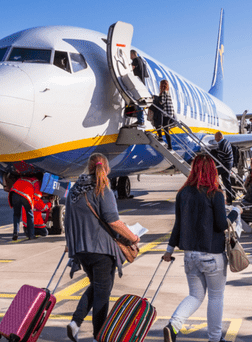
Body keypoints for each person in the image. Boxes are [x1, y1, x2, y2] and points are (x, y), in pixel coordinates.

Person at [65, 153, 140, 342]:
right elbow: (113, 221)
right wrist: (133, 236)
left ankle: (75, 323)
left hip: (81, 250)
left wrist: (71, 243)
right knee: (102, 295)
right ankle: (99, 336)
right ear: (106, 168)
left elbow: (69, 220)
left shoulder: (75, 189)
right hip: (101, 250)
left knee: (97, 287)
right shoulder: (102, 188)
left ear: (88, 167)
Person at [162, 154, 229, 342]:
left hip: (190, 255)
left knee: (195, 295)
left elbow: (177, 225)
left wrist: (169, 250)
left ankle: (173, 326)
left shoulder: (182, 194)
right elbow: (222, 225)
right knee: (215, 298)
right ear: (212, 171)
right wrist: (235, 214)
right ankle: (215, 338)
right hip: (212, 254)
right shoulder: (215, 193)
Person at [8, 176, 42, 241]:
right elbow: (38, 194)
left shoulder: (21, 178)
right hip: (25, 196)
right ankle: (31, 235)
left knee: (16, 215)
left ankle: (15, 233)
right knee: (29, 215)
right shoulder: (36, 180)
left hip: (14, 194)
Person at [214, 132, 234, 204]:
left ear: (220, 137)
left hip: (225, 164)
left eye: (215, 137)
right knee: (226, 181)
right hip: (228, 164)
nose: (215, 139)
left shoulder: (222, 144)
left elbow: (220, 157)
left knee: (213, 175)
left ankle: (220, 194)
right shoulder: (226, 142)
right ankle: (229, 199)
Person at [158, 80, 175, 149]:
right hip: (169, 113)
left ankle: (161, 138)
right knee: (166, 128)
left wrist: (155, 99)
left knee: (163, 127)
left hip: (165, 113)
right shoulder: (168, 92)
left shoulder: (164, 92)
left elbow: (162, 102)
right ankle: (169, 145)